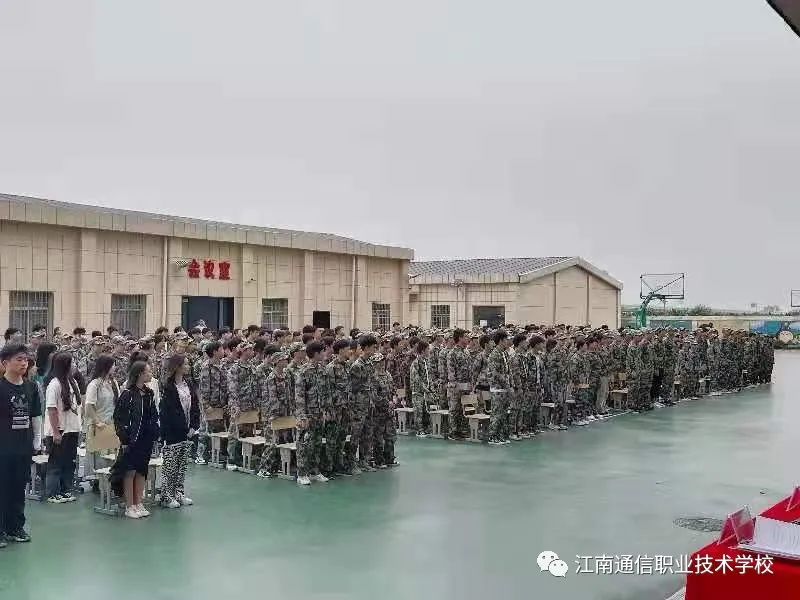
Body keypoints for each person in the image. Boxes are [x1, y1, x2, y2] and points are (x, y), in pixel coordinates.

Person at [0, 344, 41, 546]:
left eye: (25, 359)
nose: (24, 363)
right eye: (19, 359)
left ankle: (15, 527)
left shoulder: (31, 387)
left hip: (23, 447)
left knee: (18, 489)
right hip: (3, 448)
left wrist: (37, 440)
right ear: (5, 363)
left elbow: (36, 415)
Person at [111, 361, 159, 519]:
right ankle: (129, 505)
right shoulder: (127, 394)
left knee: (141, 470)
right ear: (139, 374)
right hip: (131, 440)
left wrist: (154, 431)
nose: (150, 374)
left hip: (146, 439)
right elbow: (118, 418)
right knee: (129, 471)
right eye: (148, 371)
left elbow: (153, 415)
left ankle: (139, 502)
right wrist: (124, 439)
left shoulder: (149, 393)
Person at [159, 354, 199, 508]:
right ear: (177, 367)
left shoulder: (189, 384)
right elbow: (168, 413)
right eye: (186, 364)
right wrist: (181, 429)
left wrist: (193, 426)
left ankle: (178, 493)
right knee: (170, 465)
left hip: (188, 431)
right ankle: (166, 496)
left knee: (182, 465)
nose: (188, 366)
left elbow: (194, 407)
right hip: (173, 432)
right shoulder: (168, 387)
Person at [44, 352, 83, 503]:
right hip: (59, 430)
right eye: (72, 363)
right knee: (56, 463)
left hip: (72, 429)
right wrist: (56, 432)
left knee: (69, 462)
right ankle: (53, 493)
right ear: (65, 366)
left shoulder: (72, 382)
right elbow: (51, 409)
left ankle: (66, 489)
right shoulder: (54, 384)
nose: (75, 366)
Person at [84, 355, 120, 485]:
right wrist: (97, 421)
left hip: (111, 424)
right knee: (100, 457)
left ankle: (110, 483)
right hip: (99, 425)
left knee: (111, 455)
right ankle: (99, 483)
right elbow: (89, 406)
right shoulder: (94, 384)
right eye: (112, 365)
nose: (114, 368)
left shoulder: (113, 383)